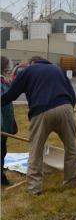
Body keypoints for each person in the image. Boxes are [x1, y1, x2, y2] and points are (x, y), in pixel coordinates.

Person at [1, 56, 76, 195]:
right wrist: (69, 109)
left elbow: (11, 94)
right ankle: (71, 183)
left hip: (41, 111)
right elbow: (72, 93)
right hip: (65, 107)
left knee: (36, 151)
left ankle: (34, 189)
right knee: (71, 148)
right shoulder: (58, 69)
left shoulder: (28, 71)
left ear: (32, 63)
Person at [1, 56, 18, 186]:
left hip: (6, 125)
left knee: (3, 150)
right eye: (8, 67)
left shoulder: (5, 82)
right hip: (1, 126)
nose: (9, 69)